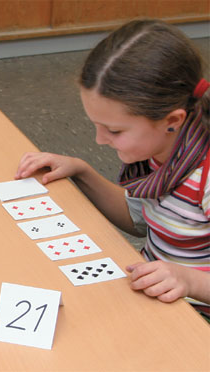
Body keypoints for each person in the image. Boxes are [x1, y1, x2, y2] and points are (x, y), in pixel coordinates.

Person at [15, 19, 210, 320]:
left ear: (172, 119)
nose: (99, 140)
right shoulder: (159, 148)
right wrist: (82, 172)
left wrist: (190, 280)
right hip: (159, 296)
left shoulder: (204, 175)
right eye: (95, 125)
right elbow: (142, 221)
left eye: (114, 131)